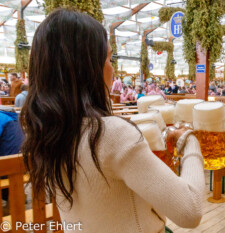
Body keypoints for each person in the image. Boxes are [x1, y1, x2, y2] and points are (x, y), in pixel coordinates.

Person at [20, 9, 204, 233]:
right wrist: (191, 140)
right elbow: (190, 211)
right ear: (86, 67)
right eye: (108, 58)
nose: (112, 69)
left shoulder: (44, 132)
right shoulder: (110, 134)